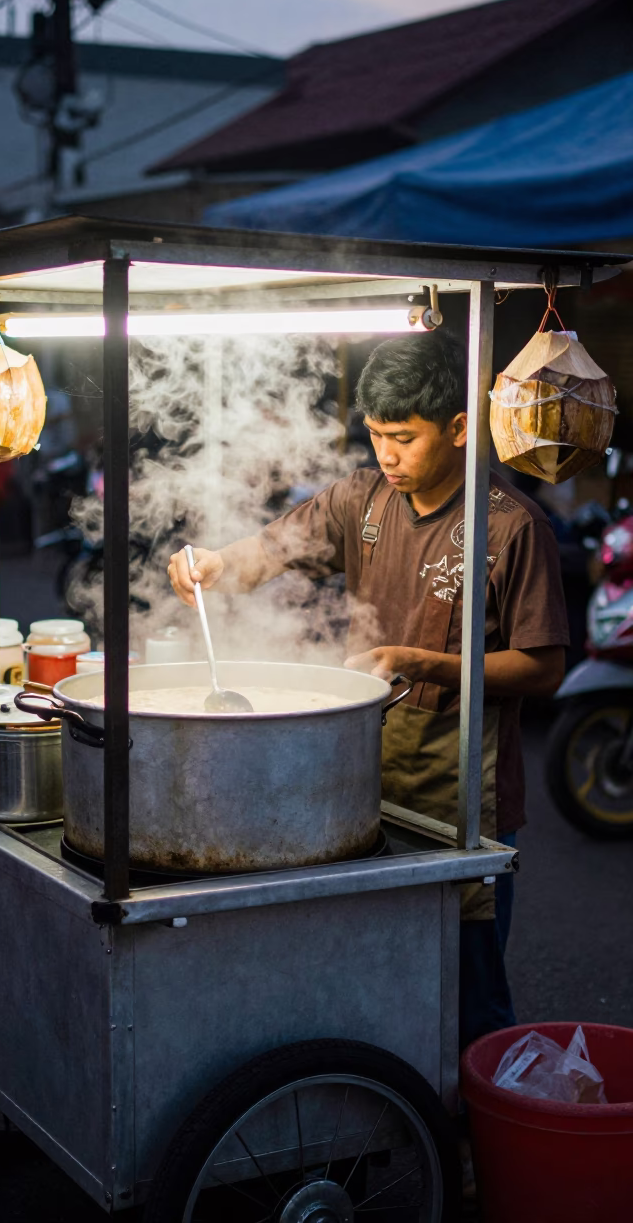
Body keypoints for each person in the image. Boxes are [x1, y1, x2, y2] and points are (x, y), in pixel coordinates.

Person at [167, 330, 569, 1049]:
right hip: (359, 793)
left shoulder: (510, 527)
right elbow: (268, 552)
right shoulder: (363, 498)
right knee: (371, 983)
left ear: (456, 427)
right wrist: (212, 562)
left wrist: (420, 662)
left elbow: (543, 669)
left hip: (461, 806)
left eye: (404, 438)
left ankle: (478, 1152)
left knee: (469, 1000)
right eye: (377, 435)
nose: (387, 455)